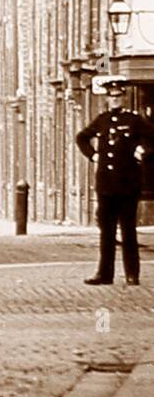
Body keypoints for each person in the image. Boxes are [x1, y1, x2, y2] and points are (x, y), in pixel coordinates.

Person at [76, 80, 154, 287]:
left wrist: (143, 152)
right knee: (107, 232)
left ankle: (132, 274)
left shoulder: (134, 120)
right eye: (112, 96)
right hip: (106, 186)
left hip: (128, 185)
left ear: (123, 97)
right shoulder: (101, 120)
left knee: (128, 231)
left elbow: (152, 138)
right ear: (107, 99)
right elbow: (81, 138)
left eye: (118, 96)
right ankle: (104, 273)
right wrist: (93, 156)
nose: (115, 100)